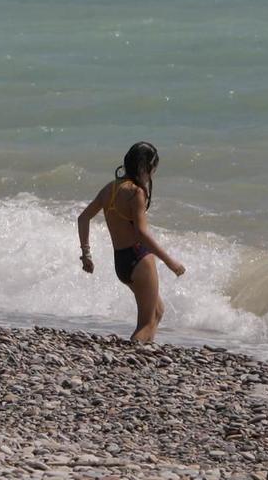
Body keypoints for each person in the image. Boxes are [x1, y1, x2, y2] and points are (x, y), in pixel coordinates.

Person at [77, 140, 186, 343]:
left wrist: (86, 254)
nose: (153, 174)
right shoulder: (136, 192)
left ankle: (142, 356)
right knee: (146, 324)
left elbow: (83, 218)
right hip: (139, 259)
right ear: (146, 167)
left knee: (157, 311)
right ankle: (132, 357)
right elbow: (142, 233)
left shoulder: (109, 189)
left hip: (122, 263)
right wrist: (170, 262)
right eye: (153, 169)